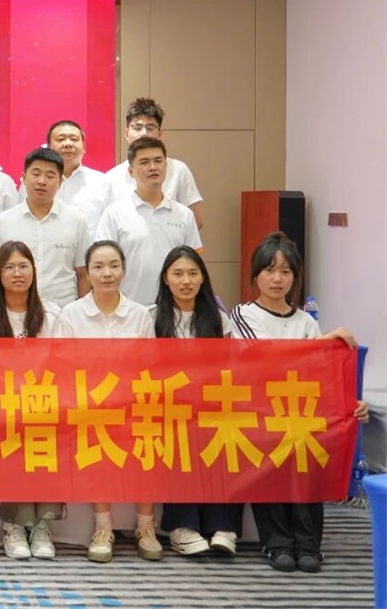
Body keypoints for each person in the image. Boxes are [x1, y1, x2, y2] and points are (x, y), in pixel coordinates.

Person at [230, 232, 369, 573]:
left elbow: (320, 373)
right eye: (269, 270)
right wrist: (322, 342)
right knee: (266, 452)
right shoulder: (243, 314)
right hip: (259, 411)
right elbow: (264, 358)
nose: (277, 279)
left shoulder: (306, 322)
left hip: (300, 413)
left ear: (295, 277)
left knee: (308, 453)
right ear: (255, 276)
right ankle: (276, 542)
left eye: (286, 271)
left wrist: (350, 404)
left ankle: (308, 544)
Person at [53, 241, 160, 564]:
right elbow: (63, 366)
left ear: (124, 270)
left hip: (132, 404)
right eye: (98, 267)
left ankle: (145, 527)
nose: (107, 273)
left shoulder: (140, 315)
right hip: (89, 404)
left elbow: (148, 367)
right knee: (95, 433)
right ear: (87, 273)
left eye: (114, 265)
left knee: (148, 435)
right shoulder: (72, 314)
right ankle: (103, 528)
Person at [0, 241, 65, 560]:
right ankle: (15, 525)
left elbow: (63, 363)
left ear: (34, 271)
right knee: (12, 433)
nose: (17, 273)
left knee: (44, 432)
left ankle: (41, 525)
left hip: (43, 403)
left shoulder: (51, 314)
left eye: (23, 266)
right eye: (9, 267)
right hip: (0, 405)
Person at [149, 246, 241, 559]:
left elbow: (228, 368)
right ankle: (181, 526)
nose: (186, 281)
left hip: (211, 403)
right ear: (165, 278)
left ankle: (223, 525)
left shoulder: (218, 318)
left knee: (226, 434)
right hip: (168, 405)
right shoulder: (151, 317)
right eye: (178, 274)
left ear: (203, 278)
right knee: (180, 433)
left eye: (192, 273)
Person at [95, 136, 202, 305]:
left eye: (158, 161)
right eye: (144, 162)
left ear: (166, 167)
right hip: (127, 308)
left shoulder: (185, 215)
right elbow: (104, 264)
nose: (153, 167)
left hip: (172, 308)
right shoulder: (114, 214)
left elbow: (194, 264)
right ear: (131, 171)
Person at [0, 147, 91, 308]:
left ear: (60, 182)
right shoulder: (1, 222)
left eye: (50, 176)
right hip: (13, 311)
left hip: (63, 312)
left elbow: (83, 274)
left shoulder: (76, 221)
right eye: (36, 174)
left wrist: (82, 312)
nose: (42, 181)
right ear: (23, 178)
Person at [108, 98, 205, 230]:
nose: (144, 134)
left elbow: (195, 222)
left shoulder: (179, 170)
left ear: (159, 133)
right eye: (137, 127)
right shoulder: (111, 178)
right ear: (126, 133)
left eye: (150, 127)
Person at [31, 120, 115, 233]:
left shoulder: (102, 182)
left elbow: (111, 225)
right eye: (61, 139)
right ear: (49, 147)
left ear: (83, 147)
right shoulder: (33, 182)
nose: (68, 144)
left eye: (74, 139)